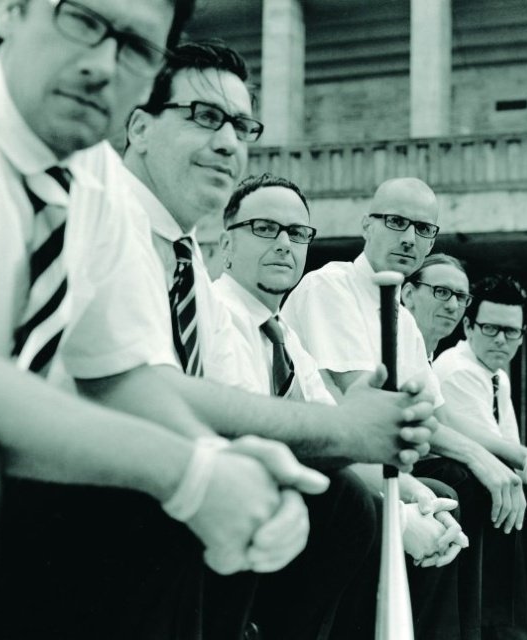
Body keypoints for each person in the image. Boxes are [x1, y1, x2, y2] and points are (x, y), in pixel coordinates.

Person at [0, 2, 334, 638]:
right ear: (11, 13)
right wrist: (188, 473)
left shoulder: (97, 182)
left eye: (138, 48)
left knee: (161, 505)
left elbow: (119, 376)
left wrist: (217, 460)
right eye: (84, 20)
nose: (103, 64)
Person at [120, 43, 436, 638]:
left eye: (242, 127)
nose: (227, 142)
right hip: (124, 473)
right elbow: (185, 403)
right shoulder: (130, 235)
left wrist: (405, 492)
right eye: (205, 116)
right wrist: (351, 435)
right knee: (340, 500)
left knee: (365, 498)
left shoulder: (216, 288)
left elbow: (318, 416)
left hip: (194, 464)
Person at [282, 177, 527, 640]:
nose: (410, 238)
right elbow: (368, 404)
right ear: (367, 225)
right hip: (340, 459)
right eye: (396, 222)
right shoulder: (329, 286)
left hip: (384, 460)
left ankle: (497, 632)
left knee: (513, 490)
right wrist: (479, 459)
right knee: (458, 484)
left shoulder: (403, 319)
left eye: (424, 229)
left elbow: (439, 417)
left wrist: (518, 459)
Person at [213, 172, 468, 640]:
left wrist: (412, 497)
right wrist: (396, 516)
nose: (284, 244)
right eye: (265, 229)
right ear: (225, 243)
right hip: (228, 493)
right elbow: (264, 434)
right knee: (350, 503)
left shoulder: (283, 337)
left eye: (297, 233)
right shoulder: (215, 315)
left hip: (283, 488)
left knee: (432, 495)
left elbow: (337, 432)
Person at [433, 274, 527, 639]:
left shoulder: (494, 374)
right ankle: (506, 628)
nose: (501, 339)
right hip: (462, 486)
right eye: (490, 328)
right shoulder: (458, 371)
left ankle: (523, 622)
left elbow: (502, 444)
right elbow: (490, 455)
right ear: (468, 327)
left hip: (484, 485)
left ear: (521, 335)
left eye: (511, 331)